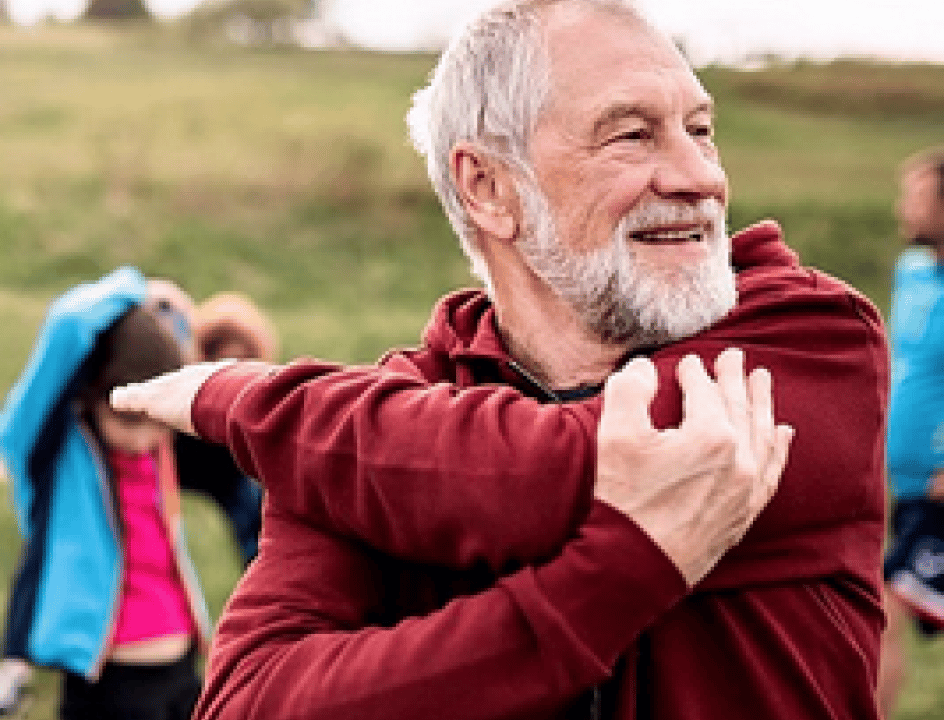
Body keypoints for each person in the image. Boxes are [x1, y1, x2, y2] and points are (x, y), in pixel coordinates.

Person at [111, 1, 889, 718]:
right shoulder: (373, 425)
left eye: (701, 129)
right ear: (487, 186)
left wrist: (251, 401)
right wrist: (616, 575)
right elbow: (250, 705)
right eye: (632, 134)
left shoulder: (811, 336)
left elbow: (549, 473)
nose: (700, 177)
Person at [0, 266, 210, 720]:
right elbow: (69, 321)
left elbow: (180, 354)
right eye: (126, 420)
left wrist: (167, 315)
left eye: (156, 422)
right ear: (91, 394)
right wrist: (139, 288)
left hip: (184, 668)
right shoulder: (54, 452)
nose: (143, 439)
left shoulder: (159, 449)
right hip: (111, 681)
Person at [879, 146, 944, 717]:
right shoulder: (913, 272)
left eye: (918, 198)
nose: (905, 209)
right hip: (909, 483)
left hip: (940, 486)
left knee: (885, 603)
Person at [173, 291, 277, 565]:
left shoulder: (250, 421)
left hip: (225, 462)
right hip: (181, 449)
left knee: (257, 526)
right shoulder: (176, 402)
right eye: (222, 362)